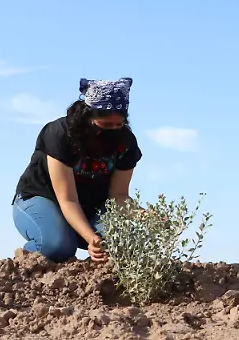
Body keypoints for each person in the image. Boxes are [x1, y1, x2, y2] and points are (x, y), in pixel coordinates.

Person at [12, 78, 142, 262]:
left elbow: (118, 196)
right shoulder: (61, 133)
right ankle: (27, 261)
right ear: (89, 116)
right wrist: (91, 238)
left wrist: (146, 216)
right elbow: (68, 199)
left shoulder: (126, 142)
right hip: (43, 198)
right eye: (105, 125)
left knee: (126, 244)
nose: (113, 130)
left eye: (118, 125)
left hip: (90, 207)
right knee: (58, 247)